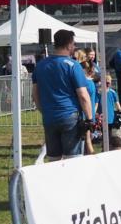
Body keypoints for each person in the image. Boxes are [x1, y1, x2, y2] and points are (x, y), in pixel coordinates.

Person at [32, 29, 94, 161]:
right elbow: (83, 95)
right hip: (69, 116)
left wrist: (44, 111)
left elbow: (35, 94)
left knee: (53, 160)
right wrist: (89, 118)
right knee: (72, 160)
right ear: (68, 45)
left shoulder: (40, 65)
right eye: (74, 44)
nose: (75, 46)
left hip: (49, 117)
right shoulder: (73, 65)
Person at [98, 74, 121, 150]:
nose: (108, 84)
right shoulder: (99, 92)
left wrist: (120, 114)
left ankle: (112, 148)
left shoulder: (113, 92)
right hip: (102, 117)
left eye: (109, 82)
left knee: (113, 135)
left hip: (111, 117)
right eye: (106, 82)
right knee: (105, 136)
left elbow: (118, 105)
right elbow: (96, 104)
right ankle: (105, 148)